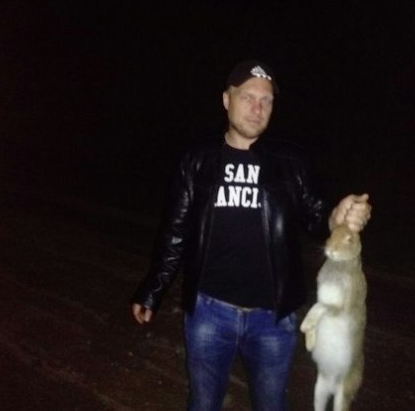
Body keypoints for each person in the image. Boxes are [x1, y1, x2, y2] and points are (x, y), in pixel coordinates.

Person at [131, 59, 372, 411]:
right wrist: (153, 290)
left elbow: (318, 217)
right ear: (226, 100)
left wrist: (340, 216)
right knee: (203, 403)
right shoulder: (198, 160)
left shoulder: (289, 161)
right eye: (247, 97)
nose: (257, 108)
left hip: (272, 318)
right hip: (209, 313)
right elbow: (176, 232)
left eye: (266, 100)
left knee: (271, 404)